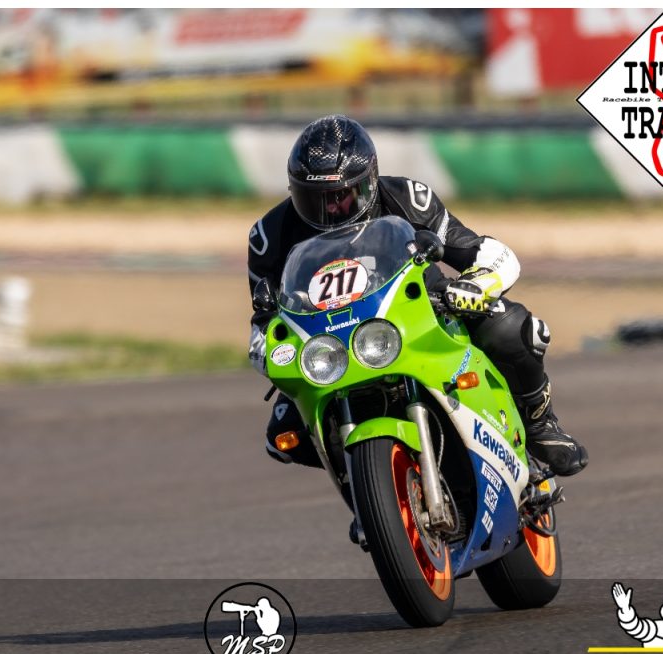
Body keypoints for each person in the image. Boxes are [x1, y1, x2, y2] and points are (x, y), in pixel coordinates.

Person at [247, 114, 588, 485]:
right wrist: (272, 351)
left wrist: (475, 286)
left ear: (369, 181)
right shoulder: (269, 235)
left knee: (512, 328)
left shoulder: (407, 198)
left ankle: (539, 425)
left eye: (341, 196)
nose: (331, 209)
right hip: (332, 348)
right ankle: (368, 488)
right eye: (314, 199)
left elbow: (488, 253)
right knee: (285, 436)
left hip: (424, 314)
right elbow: (264, 321)